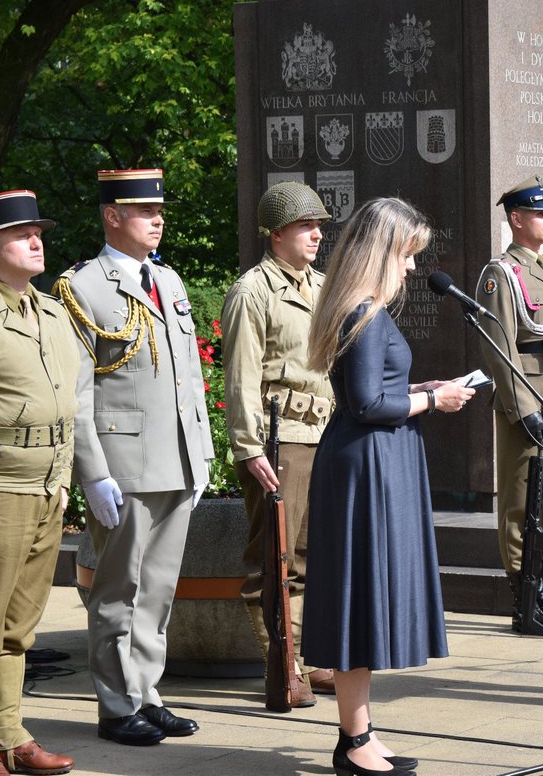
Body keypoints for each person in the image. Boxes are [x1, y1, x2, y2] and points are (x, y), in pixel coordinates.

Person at [301, 197, 474, 776]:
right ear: (381, 253)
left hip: (371, 458)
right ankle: (353, 743)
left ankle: (362, 735)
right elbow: (369, 404)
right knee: (360, 600)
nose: (409, 268)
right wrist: (434, 399)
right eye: (405, 256)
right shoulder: (365, 312)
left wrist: (417, 386)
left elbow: (371, 390)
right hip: (367, 464)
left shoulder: (360, 309)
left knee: (364, 599)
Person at [56, 168, 213, 745]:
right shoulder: (83, 288)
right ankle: (116, 705)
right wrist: (92, 475)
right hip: (123, 467)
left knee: (158, 589)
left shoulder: (166, 282)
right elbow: (77, 393)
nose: (158, 220)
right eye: (145, 212)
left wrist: (202, 451)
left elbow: (189, 378)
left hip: (175, 458)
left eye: (160, 210)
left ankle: (146, 693)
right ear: (112, 216)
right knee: (117, 590)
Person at [0, 191, 78, 776]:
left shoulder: (52, 312)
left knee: (19, 626)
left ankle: (11, 732)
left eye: (39, 232)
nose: (38, 243)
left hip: (46, 489)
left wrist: (64, 479)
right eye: (23, 234)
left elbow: (67, 408)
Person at [221, 181, 335, 706]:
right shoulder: (253, 291)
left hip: (320, 434)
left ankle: (309, 660)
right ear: (277, 234)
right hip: (277, 439)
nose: (316, 235)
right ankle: (281, 662)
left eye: (318, 226)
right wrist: (249, 449)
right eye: (306, 226)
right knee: (274, 557)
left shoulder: (322, 285)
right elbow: (240, 377)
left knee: (310, 556)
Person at [476, 175, 543, 636]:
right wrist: (523, 407)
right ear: (516, 219)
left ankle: (540, 589)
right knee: (520, 504)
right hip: (528, 407)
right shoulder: (500, 274)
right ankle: (523, 598)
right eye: (541, 214)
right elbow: (497, 346)